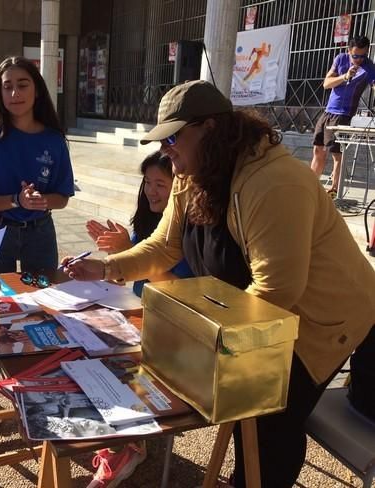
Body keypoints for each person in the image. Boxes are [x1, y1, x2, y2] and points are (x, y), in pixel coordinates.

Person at [63, 80, 375, 488]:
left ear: (209, 128)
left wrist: (209, 347)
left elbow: (276, 291)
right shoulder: (190, 172)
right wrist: (106, 268)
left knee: (272, 418)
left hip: (322, 321)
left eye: (174, 137)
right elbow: (165, 245)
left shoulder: (277, 182)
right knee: (247, 408)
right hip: (260, 310)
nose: (167, 149)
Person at [0, 56, 74, 275]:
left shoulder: (54, 140)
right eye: (7, 87)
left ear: (37, 90)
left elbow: (62, 198)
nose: (15, 93)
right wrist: (17, 200)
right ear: (0, 94)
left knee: (43, 300)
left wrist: (39, 201)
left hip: (40, 233)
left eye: (23, 85)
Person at [85, 152, 193, 297]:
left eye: (160, 185)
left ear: (178, 188)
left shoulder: (189, 229)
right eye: (147, 182)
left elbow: (179, 289)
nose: (151, 191)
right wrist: (113, 252)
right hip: (140, 305)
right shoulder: (147, 219)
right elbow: (120, 280)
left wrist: (127, 249)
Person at [310, 35, 375, 198]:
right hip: (328, 111)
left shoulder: (369, 67)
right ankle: (310, 185)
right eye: (355, 55)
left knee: (337, 154)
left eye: (363, 55)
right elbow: (326, 83)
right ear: (348, 51)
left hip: (344, 114)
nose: (359, 59)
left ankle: (334, 189)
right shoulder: (340, 59)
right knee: (318, 150)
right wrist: (344, 76)